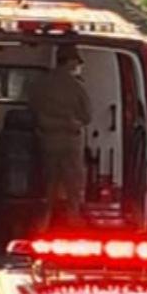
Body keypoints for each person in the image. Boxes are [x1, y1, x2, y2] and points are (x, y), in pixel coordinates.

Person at [29, 46, 92, 224]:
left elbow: (32, 107)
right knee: (73, 183)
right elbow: (87, 116)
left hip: (47, 138)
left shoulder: (41, 83)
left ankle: (44, 219)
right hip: (71, 140)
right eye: (76, 61)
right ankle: (73, 219)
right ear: (70, 61)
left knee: (47, 182)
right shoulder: (76, 85)